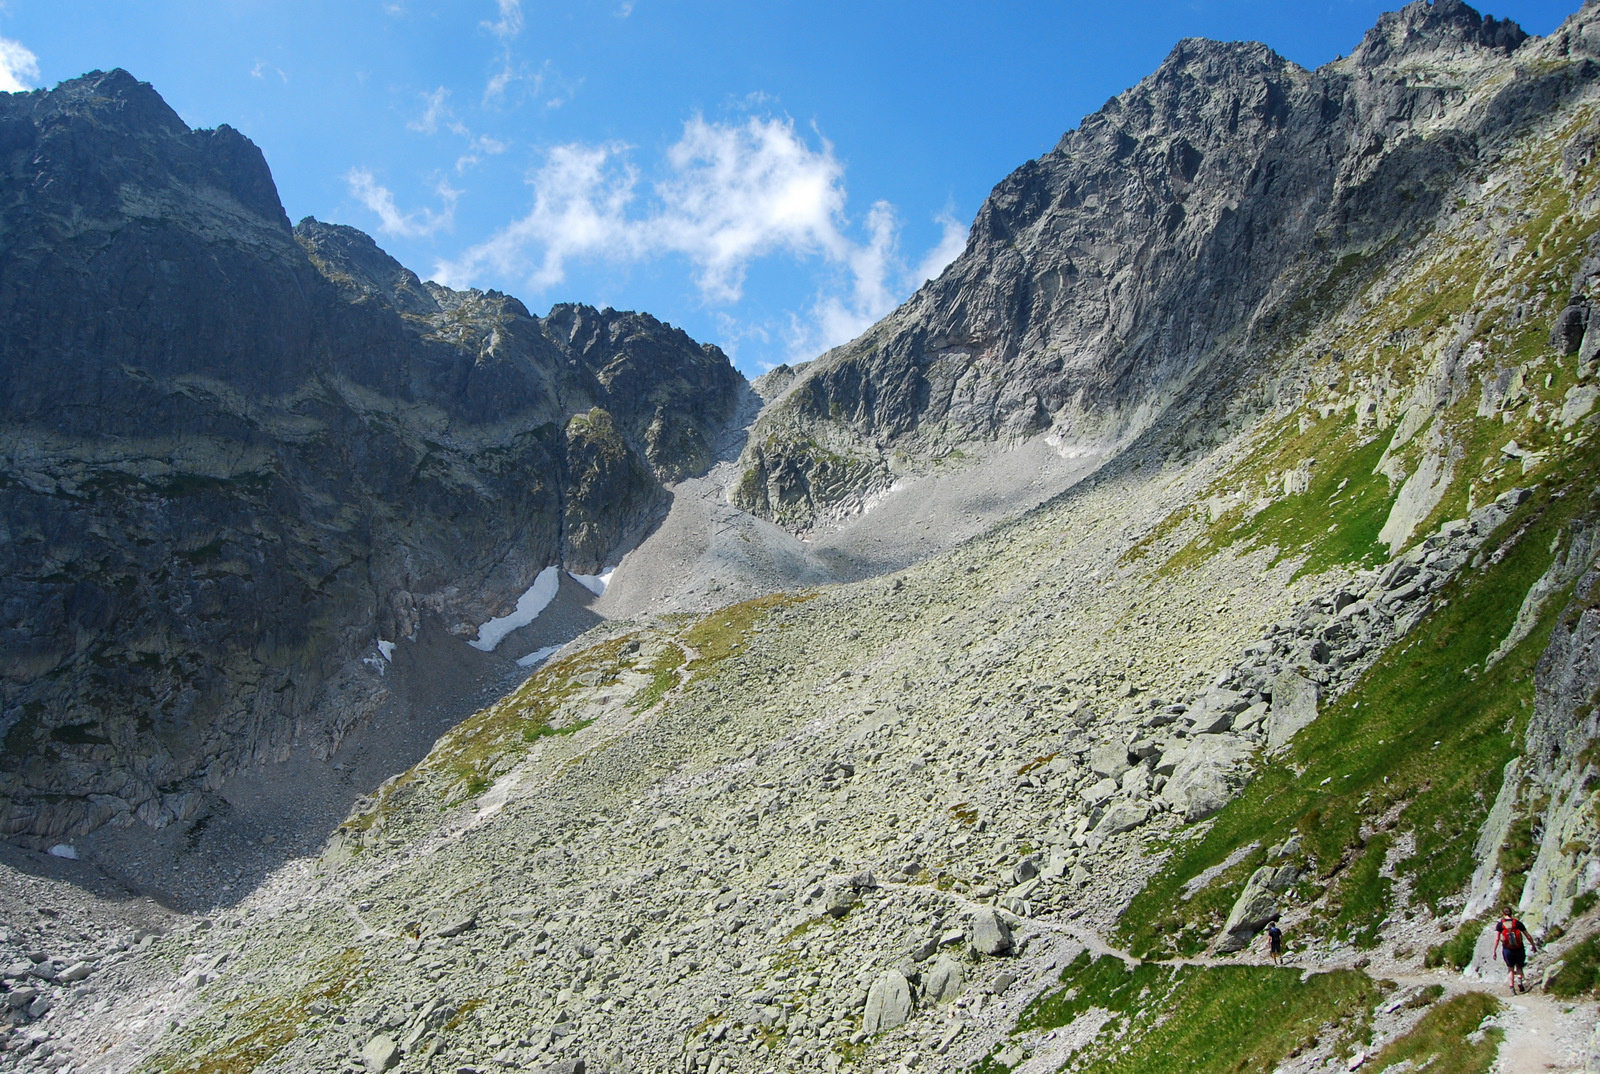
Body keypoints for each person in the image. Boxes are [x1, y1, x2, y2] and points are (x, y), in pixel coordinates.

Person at [1493, 907, 1536, 994]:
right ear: (1511, 913)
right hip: (1519, 948)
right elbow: (1527, 935)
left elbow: (1497, 938)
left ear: (1503, 914)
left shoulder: (1500, 924)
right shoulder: (1517, 923)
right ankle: (1519, 980)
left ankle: (1512, 988)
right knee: (1519, 966)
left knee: (1510, 968)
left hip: (1507, 949)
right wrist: (1533, 945)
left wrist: (1494, 951)